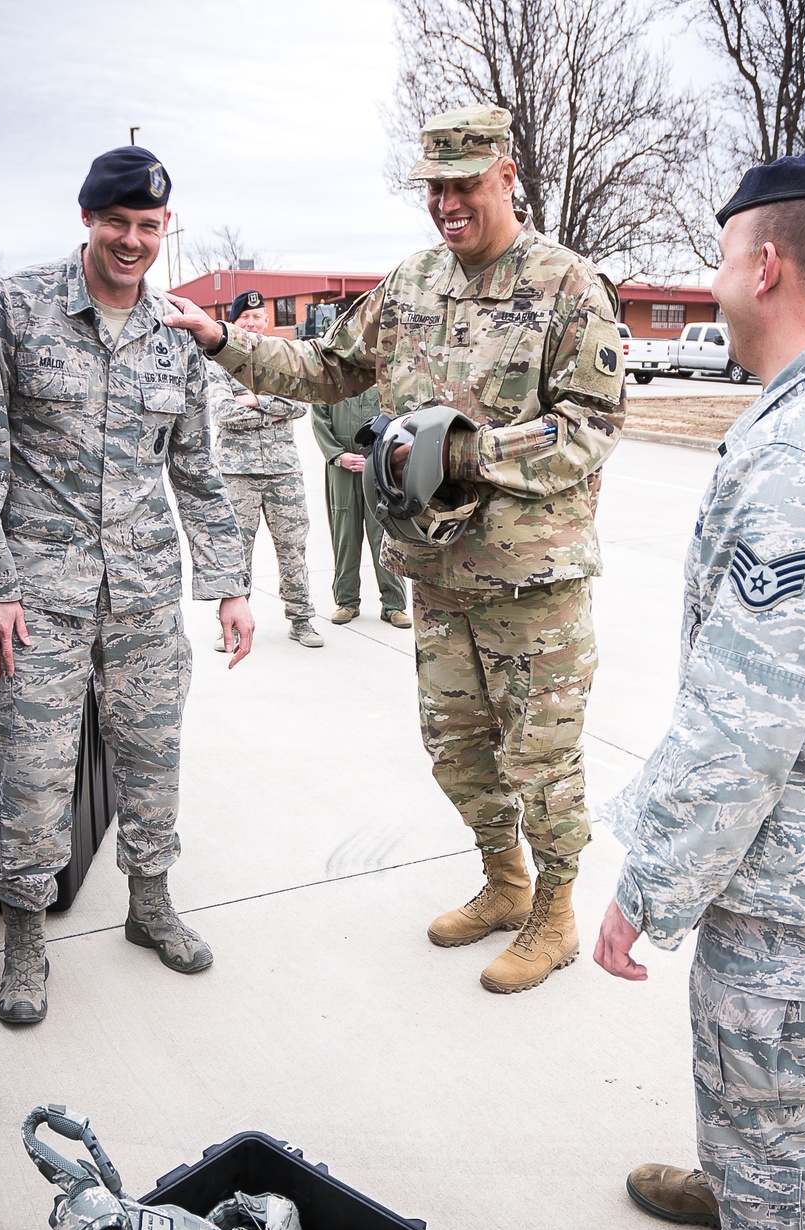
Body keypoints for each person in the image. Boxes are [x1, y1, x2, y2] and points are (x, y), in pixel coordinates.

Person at [165, 106, 626, 994]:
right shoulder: (412, 286)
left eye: (465, 183)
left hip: (532, 581)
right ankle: (503, 882)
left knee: (541, 757)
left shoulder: (568, 286)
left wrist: (460, 455)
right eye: (436, 187)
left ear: (507, 175)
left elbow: (590, 427)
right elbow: (324, 369)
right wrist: (224, 342)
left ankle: (557, 913)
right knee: (455, 746)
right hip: (437, 574)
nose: (448, 203)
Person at [593, 149, 805, 1230]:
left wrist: (647, 886)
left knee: (769, 1070)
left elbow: (745, 715)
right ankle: (737, 1180)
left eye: (722, 259)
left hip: (801, 850)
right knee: (780, 1056)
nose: (716, 283)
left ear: (763, 263)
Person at [0, 146, 254, 1027]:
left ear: (164, 230)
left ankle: (149, 907)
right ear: (87, 220)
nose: (131, 240)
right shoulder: (13, 310)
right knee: (33, 773)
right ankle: (26, 941)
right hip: (36, 599)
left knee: (153, 757)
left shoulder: (177, 334)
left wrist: (230, 583)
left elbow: (197, 468)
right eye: (116, 222)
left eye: (148, 226)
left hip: (146, 592)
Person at [208, 290, 322, 649]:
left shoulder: (280, 360)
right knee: (236, 550)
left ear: (267, 322)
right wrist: (276, 409)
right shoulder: (218, 363)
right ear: (234, 322)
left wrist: (257, 400)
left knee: (293, 549)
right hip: (236, 473)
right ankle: (233, 626)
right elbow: (222, 413)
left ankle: (302, 620)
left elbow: (302, 404)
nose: (252, 323)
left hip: (282, 472)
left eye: (258, 317)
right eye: (245, 318)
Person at [310, 387, 411, 627]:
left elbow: (401, 419)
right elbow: (319, 418)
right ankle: (346, 601)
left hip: (380, 466)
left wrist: (386, 456)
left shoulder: (384, 378)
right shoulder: (332, 378)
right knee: (345, 533)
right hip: (342, 467)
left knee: (385, 533)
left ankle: (394, 605)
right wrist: (337, 455)